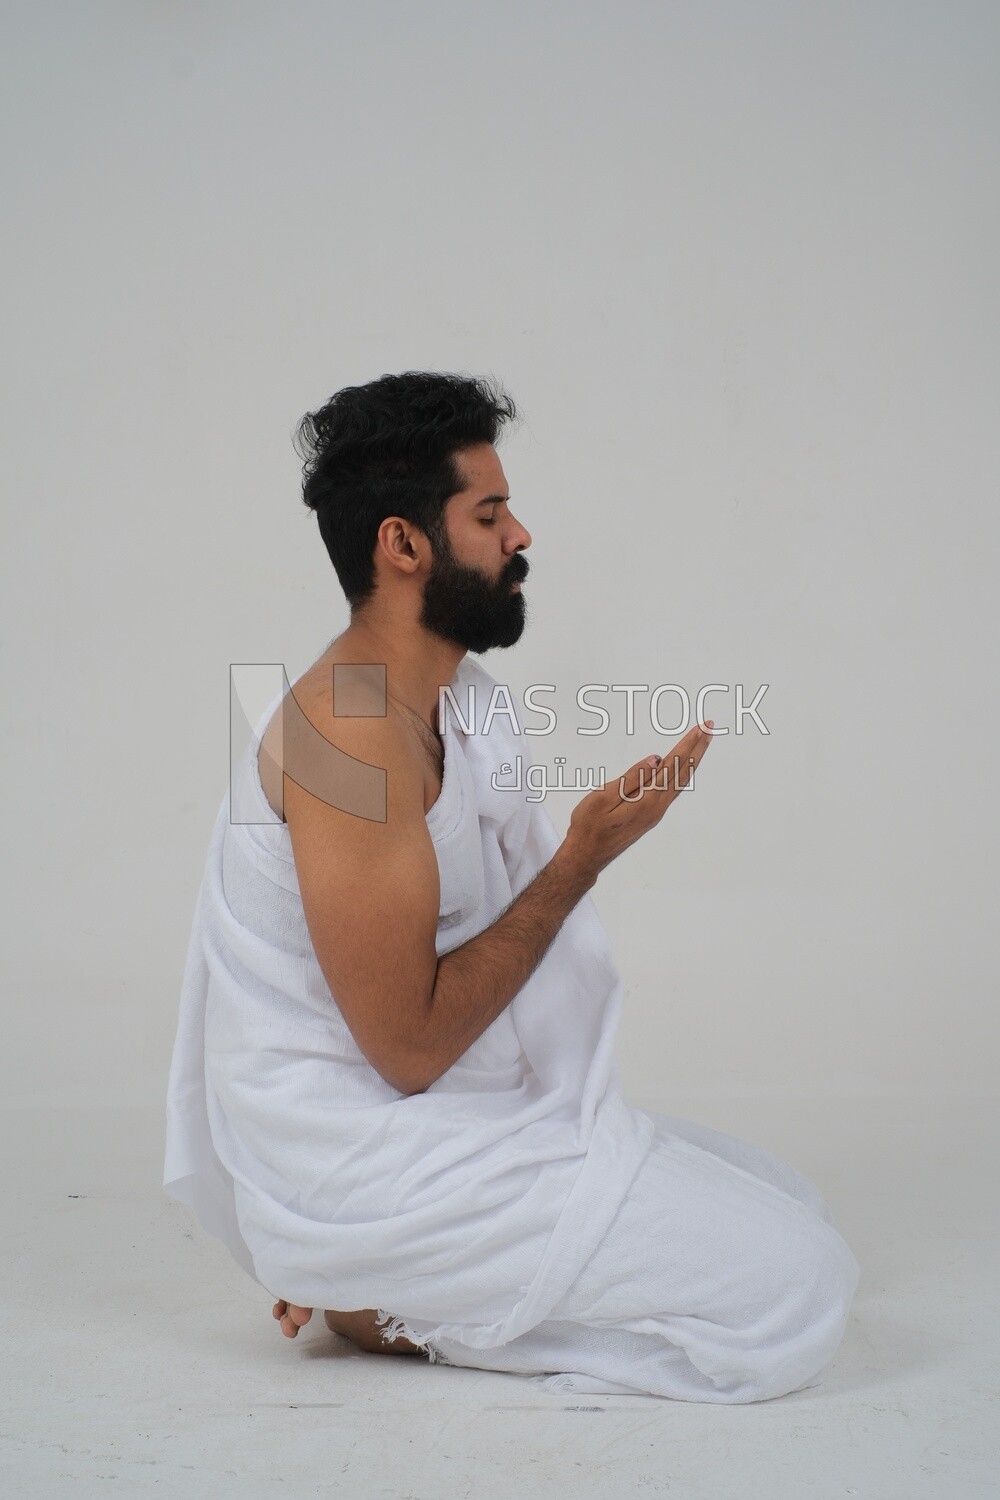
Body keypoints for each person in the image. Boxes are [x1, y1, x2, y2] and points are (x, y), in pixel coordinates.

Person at [164, 370, 860, 1402]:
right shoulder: (346, 735)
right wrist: (578, 862)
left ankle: (386, 1277)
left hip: (455, 1121)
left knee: (791, 1207)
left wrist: (578, 857)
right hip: (358, 1158)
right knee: (800, 1290)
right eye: (487, 515)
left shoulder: (459, 704)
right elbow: (406, 1048)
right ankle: (378, 1289)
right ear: (403, 545)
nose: (520, 533)